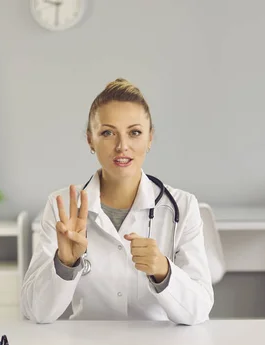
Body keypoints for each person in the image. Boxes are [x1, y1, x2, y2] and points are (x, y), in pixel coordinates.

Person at [21, 78, 214, 325]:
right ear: (91, 140)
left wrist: (164, 271)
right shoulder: (63, 207)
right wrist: (65, 264)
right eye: (108, 133)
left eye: (135, 133)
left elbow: (199, 311)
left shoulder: (183, 207)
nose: (122, 146)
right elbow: (35, 312)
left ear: (150, 138)